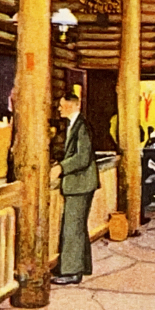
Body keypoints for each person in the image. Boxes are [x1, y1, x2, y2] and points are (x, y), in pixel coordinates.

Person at [49, 93, 99, 285]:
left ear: (71, 105)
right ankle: (82, 266)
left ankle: (71, 272)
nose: (59, 109)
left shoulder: (81, 127)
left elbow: (82, 158)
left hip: (80, 184)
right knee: (78, 227)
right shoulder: (74, 125)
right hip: (81, 183)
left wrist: (61, 168)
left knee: (72, 228)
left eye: (62, 105)